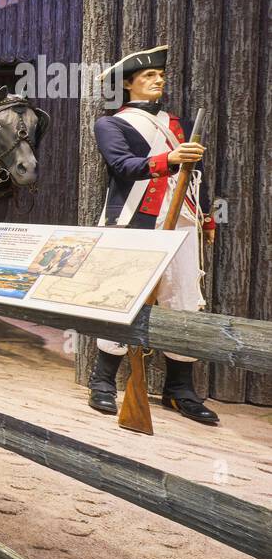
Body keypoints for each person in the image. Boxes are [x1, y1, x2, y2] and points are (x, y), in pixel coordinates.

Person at [88, 45, 218, 424]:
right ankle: (103, 382)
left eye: (160, 76)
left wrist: (206, 218)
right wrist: (169, 160)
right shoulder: (111, 124)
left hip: (181, 224)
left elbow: (194, 176)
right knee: (121, 299)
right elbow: (123, 166)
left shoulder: (175, 123)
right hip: (133, 223)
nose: (158, 80)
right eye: (148, 76)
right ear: (128, 84)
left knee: (183, 301)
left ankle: (180, 391)